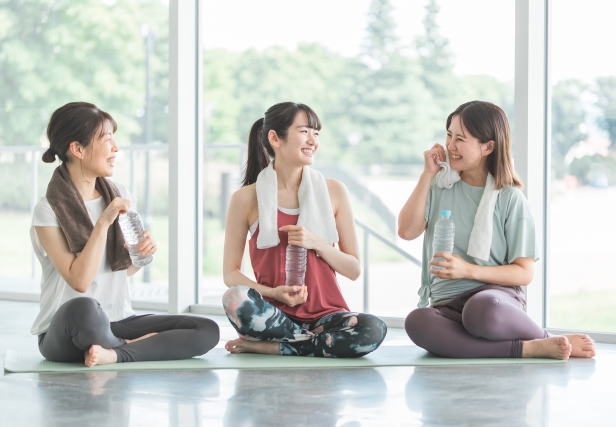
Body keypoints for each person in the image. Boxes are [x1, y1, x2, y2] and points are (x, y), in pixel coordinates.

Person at [398, 101, 596, 360]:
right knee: (417, 322)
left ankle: (543, 339)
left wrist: (468, 270)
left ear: (488, 147)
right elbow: (406, 231)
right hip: (447, 306)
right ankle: (531, 347)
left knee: (480, 311)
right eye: (448, 135)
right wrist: (427, 174)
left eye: (461, 138)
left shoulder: (510, 198)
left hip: (494, 300)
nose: (450, 145)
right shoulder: (438, 185)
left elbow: (524, 273)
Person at [31, 102, 219, 367]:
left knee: (207, 329)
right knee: (84, 308)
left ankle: (113, 353)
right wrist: (103, 222)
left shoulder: (119, 193)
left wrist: (141, 254)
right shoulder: (47, 210)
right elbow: (80, 281)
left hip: (118, 319)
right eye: (106, 139)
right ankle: (130, 348)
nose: (115, 148)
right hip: (66, 330)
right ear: (78, 149)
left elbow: (121, 271)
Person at [221, 102, 387, 357]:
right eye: (304, 131)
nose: (313, 140)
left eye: (316, 133)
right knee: (235, 298)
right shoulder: (245, 198)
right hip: (274, 318)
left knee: (373, 329)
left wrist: (316, 242)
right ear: (275, 138)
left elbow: (353, 269)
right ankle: (311, 344)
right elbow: (230, 273)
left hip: (327, 317)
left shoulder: (334, 191)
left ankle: (277, 348)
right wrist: (273, 293)